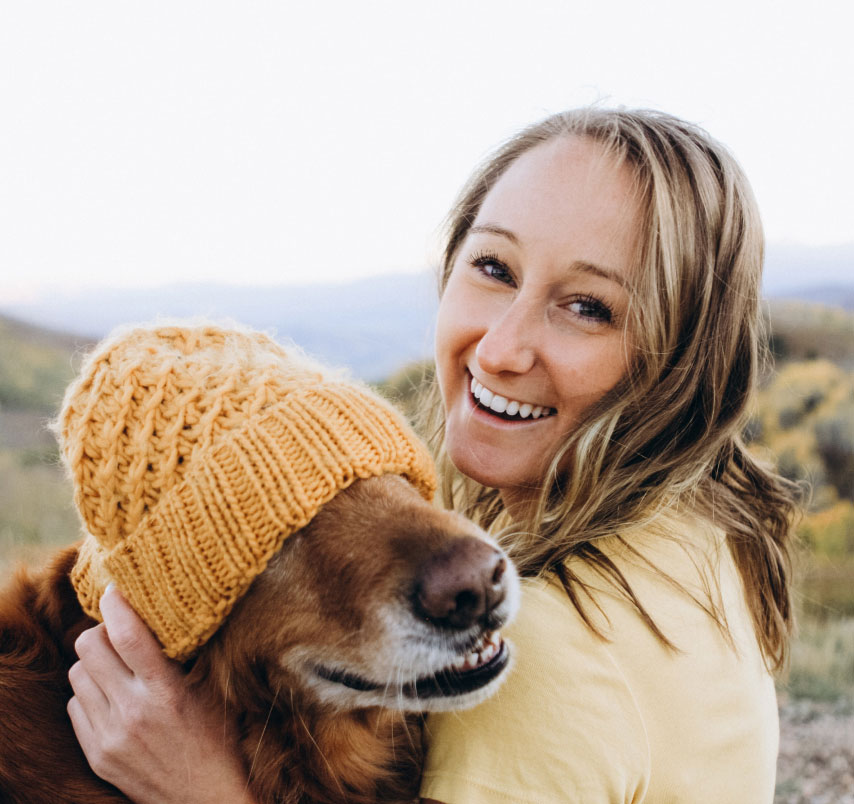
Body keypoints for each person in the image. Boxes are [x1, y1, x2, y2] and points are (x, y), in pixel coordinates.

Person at [67, 107, 799, 803]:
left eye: (589, 307)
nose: (501, 348)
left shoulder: (543, 654)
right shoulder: (706, 543)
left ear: (684, 364)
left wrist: (207, 792)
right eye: (494, 267)